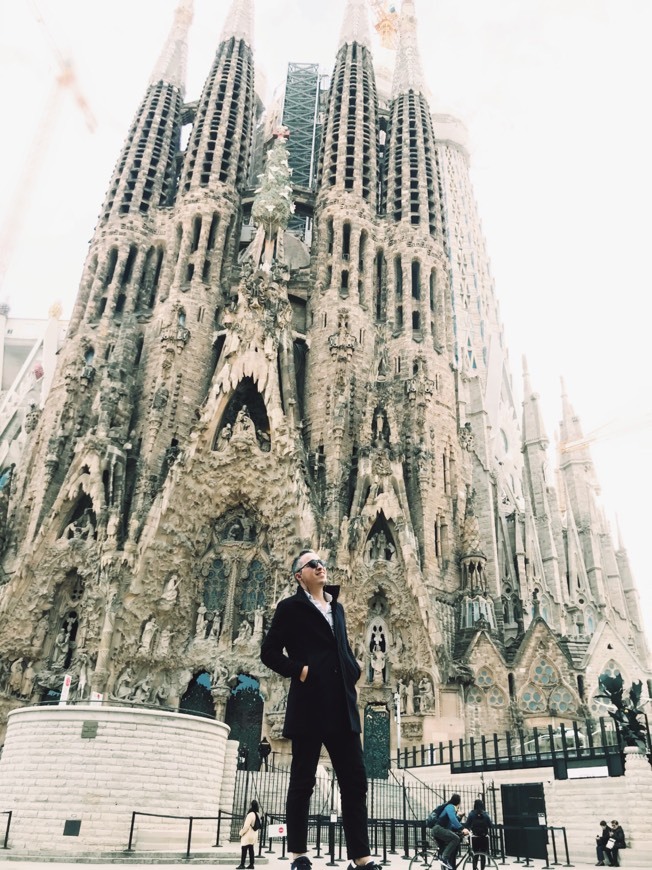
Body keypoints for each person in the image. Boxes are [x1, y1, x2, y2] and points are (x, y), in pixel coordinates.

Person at [261, 549, 380, 870]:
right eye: (312, 564)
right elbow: (269, 652)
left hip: (343, 706)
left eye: (322, 562)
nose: (320, 566)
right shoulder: (290, 608)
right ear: (299, 575)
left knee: (355, 781)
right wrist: (300, 670)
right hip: (310, 705)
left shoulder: (337, 608)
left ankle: (361, 856)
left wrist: (353, 671)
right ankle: (299, 854)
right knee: (302, 781)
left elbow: (341, 647)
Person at [430, 794, 469, 870]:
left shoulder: (449, 807)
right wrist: (462, 828)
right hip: (438, 829)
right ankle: (444, 858)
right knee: (456, 839)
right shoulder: (450, 807)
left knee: (450, 844)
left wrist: (460, 817)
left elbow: (452, 825)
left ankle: (444, 860)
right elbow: (453, 819)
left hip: (440, 830)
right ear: (458, 803)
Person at [465, 799, 492, 870]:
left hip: (475, 838)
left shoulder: (471, 814)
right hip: (484, 837)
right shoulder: (485, 814)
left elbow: (467, 825)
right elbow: (490, 825)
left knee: (475, 855)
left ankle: (475, 868)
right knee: (483, 855)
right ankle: (482, 868)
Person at [237, 799, 261, 869]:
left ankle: (242, 864)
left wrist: (241, 833)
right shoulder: (258, 814)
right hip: (254, 834)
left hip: (248, 835)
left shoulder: (250, 814)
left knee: (244, 849)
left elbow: (246, 826)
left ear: (251, 805)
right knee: (251, 849)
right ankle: (251, 864)